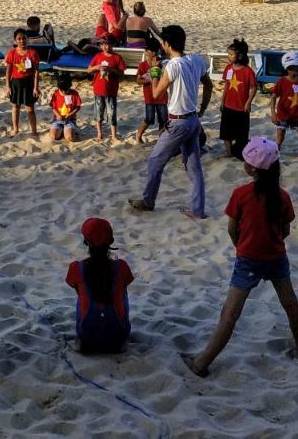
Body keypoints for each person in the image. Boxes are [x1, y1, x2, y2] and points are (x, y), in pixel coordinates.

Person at [182, 137, 298, 376]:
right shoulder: (282, 196)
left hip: (248, 258)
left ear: (251, 168)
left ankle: (202, 362)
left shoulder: (241, 194)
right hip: (276, 257)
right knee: (290, 304)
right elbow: (286, 229)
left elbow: (232, 228)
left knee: (230, 313)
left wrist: (240, 245)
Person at [129, 24, 213, 220]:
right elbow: (208, 85)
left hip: (178, 122)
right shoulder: (196, 60)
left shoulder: (172, 66)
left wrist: (154, 74)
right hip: (193, 119)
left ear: (166, 44)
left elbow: (157, 92)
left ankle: (148, 201)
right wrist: (202, 109)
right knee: (194, 168)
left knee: (155, 160)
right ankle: (197, 210)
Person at [65, 217, 134, 353]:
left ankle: (92, 325)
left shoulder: (76, 268)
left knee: (83, 291)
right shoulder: (122, 267)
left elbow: (77, 289)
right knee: (121, 290)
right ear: (111, 242)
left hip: (87, 337)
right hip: (118, 337)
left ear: (86, 242)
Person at [218, 38, 257, 159]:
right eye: (228, 54)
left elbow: (253, 87)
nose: (228, 56)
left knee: (242, 134)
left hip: (241, 108)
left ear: (239, 55)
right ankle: (229, 152)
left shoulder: (248, 71)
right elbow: (226, 86)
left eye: (231, 54)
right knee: (226, 133)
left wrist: (248, 102)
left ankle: (241, 153)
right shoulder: (228, 69)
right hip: (228, 106)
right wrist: (222, 101)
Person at [88, 37, 127, 141]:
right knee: (98, 113)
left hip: (111, 91)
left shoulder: (117, 58)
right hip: (98, 90)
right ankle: (99, 134)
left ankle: (113, 135)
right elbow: (88, 69)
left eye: (108, 44)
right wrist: (96, 67)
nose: (105, 47)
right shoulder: (98, 56)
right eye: (103, 45)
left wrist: (111, 70)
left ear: (112, 45)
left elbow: (122, 74)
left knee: (111, 113)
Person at [5, 28, 41, 137]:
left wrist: (36, 87)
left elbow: (36, 71)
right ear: (15, 40)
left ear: (27, 39)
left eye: (24, 38)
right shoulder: (12, 53)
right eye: (19, 39)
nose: (22, 41)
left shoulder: (32, 53)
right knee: (15, 106)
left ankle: (34, 131)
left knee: (30, 108)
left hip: (29, 83)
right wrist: (7, 86)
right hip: (15, 83)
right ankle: (15, 129)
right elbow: (8, 72)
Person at [134, 43, 168, 143]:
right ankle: (139, 134)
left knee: (163, 119)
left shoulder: (162, 64)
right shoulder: (143, 65)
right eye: (147, 51)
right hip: (149, 96)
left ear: (154, 52)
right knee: (149, 119)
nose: (148, 53)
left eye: (149, 51)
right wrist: (150, 81)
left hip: (161, 95)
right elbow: (138, 80)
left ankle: (162, 139)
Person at [49, 72, 83, 142]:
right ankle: (62, 130)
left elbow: (78, 107)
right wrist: (57, 115)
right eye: (62, 90)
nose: (64, 92)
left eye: (66, 90)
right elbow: (53, 107)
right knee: (53, 136)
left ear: (70, 86)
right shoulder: (56, 93)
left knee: (70, 138)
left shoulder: (74, 93)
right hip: (57, 120)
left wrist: (70, 115)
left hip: (70, 120)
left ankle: (68, 131)